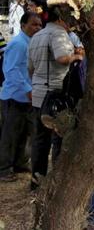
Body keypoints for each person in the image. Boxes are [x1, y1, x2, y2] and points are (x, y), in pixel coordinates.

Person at [28, 4, 83, 190]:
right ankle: (57, 182)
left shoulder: (36, 36)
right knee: (59, 137)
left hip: (38, 92)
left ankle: (36, 179)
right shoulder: (59, 34)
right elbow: (61, 58)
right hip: (56, 94)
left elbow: (30, 68)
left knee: (40, 139)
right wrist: (76, 56)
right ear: (61, 19)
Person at [0, 12, 42, 182]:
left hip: (27, 96)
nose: (37, 28)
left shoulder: (31, 43)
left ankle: (19, 163)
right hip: (14, 97)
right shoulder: (18, 44)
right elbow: (11, 70)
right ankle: (3, 169)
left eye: (39, 25)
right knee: (10, 135)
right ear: (23, 25)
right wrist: (27, 89)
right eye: (33, 24)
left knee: (24, 133)